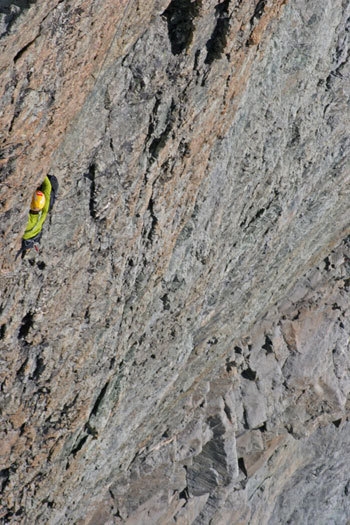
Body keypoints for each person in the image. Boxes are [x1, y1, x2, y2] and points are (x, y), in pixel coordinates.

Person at [16, 175, 59, 259]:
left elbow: (47, 186)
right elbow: (48, 187)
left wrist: (43, 174)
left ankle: (27, 248)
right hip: (33, 235)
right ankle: (28, 248)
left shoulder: (28, 219)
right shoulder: (44, 210)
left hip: (32, 235)